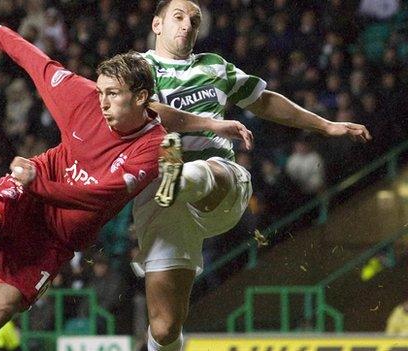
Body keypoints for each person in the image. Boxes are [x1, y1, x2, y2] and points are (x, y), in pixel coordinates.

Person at [0, 25, 253, 351]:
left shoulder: (152, 150)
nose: (101, 103)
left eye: (112, 95)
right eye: (100, 91)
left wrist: (41, 185)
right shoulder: (83, 98)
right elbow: (38, 63)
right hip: (31, 192)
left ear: (142, 99)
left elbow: (99, 198)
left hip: (58, 235)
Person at [132, 1, 373, 350]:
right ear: (157, 25)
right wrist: (213, 122)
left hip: (219, 182)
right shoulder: (137, 68)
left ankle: (181, 178)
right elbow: (141, 109)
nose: (187, 25)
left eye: (195, 20)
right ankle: (177, 180)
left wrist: (326, 125)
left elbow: (265, 101)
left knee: (208, 169)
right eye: (179, 17)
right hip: (163, 204)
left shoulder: (214, 67)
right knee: (166, 326)